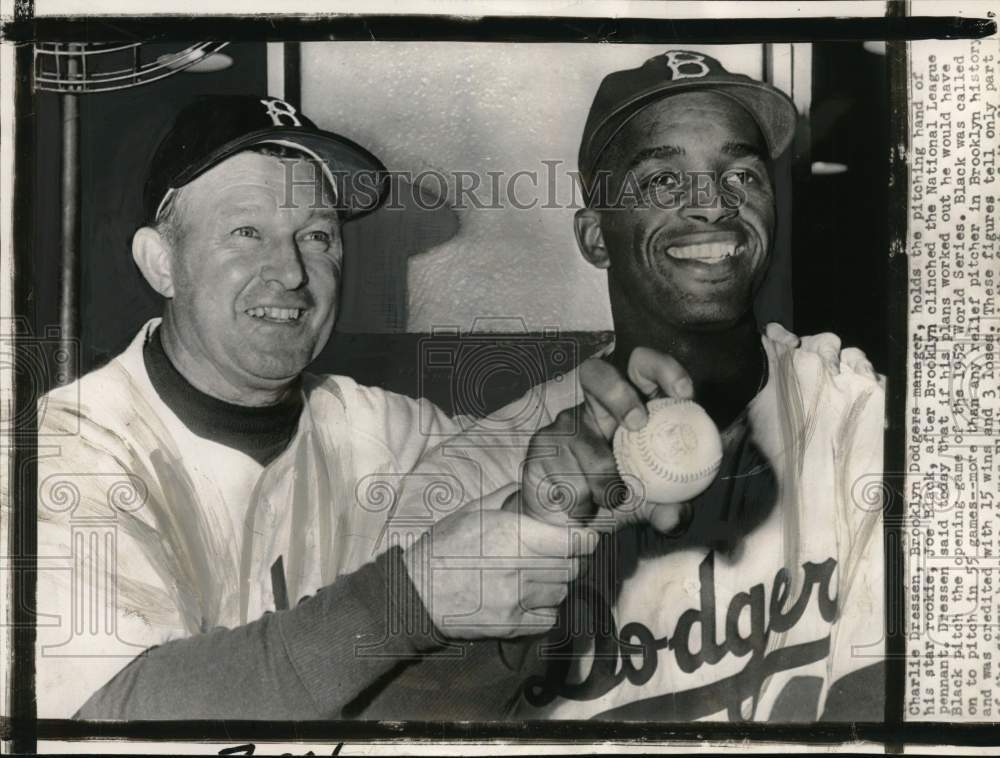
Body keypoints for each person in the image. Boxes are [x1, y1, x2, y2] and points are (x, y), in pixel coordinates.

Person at [35, 94, 673, 720]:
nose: (289, 272)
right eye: (246, 231)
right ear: (161, 262)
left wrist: (615, 397)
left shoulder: (383, 429)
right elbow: (105, 719)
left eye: (316, 235)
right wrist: (406, 602)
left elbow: (522, 459)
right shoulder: (72, 448)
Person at [384, 50, 886, 722]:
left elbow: (894, 700)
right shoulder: (476, 470)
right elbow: (394, 724)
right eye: (661, 182)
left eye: (741, 173)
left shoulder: (856, 412)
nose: (712, 205)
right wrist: (532, 532)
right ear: (596, 236)